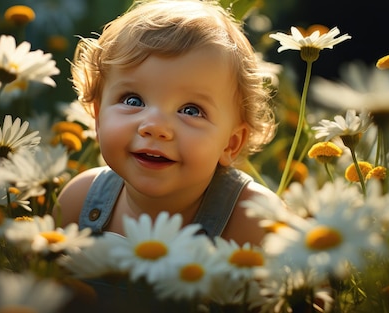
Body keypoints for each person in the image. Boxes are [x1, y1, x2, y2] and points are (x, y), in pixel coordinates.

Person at [55, 0, 281, 310]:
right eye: (132, 100)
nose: (155, 127)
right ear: (97, 116)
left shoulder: (253, 222)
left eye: (191, 110)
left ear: (231, 143)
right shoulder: (80, 201)